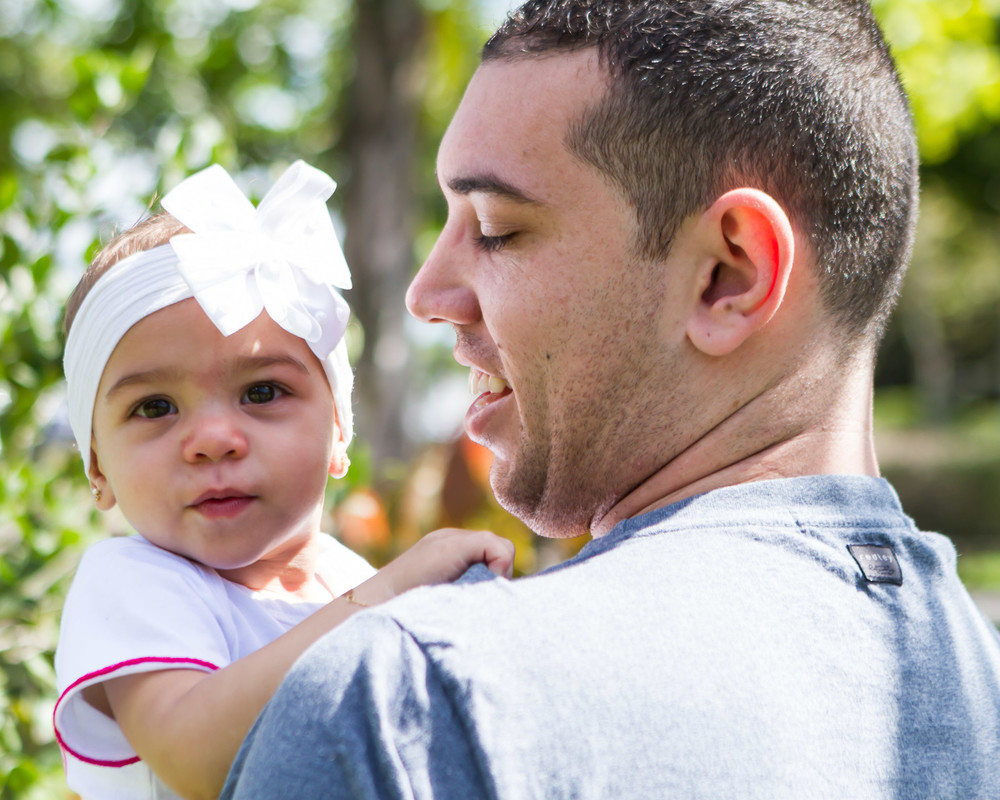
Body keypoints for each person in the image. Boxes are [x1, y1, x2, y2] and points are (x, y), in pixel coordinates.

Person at [220, 2, 1000, 798]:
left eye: (494, 227)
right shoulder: (981, 689)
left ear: (729, 275)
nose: (429, 293)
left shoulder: (414, 711)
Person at [53, 160, 514, 800]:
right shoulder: (135, 584)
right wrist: (387, 598)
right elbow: (195, 757)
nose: (213, 439)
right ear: (98, 467)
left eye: (262, 391)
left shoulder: (354, 581)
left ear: (337, 427)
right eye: (154, 407)